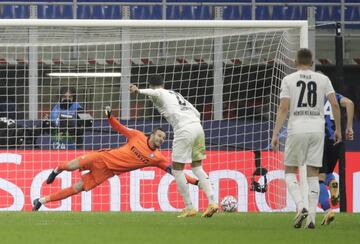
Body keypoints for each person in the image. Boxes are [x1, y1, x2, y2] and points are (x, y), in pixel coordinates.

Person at [32, 106, 199, 211]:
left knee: (75, 189)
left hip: (106, 172)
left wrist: (196, 182)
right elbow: (119, 127)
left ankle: (41, 201)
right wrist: (110, 117)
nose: (161, 140)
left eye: (163, 139)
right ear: (153, 134)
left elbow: (176, 173)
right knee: (68, 166)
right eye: (159, 136)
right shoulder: (137, 135)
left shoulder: (158, 159)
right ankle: (56, 170)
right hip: (101, 157)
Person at [129, 75, 218, 218]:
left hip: (184, 130)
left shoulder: (160, 92)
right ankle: (213, 202)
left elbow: (156, 92)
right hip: (198, 128)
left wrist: (138, 91)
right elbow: (197, 113)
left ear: (151, 85)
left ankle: (190, 207)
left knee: (177, 170)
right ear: (163, 83)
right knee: (197, 167)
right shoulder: (176, 94)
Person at [271, 48, 341, 229]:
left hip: (297, 128)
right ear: (312, 63)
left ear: (295, 62)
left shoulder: (288, 79)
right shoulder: (323, 79)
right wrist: (338, 129)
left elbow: (284, 108)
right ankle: (312, 217)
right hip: (317, 130)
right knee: (313, 175)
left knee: (290, 171)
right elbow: (334, 103)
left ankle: (300, 205)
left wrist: (275, 134)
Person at [319, 92, 354, 225]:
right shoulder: (336, 97)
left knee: (317, 178)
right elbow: (350, 103)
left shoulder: (314, 99)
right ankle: (332, 182)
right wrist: (349, 127)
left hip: (320, 141)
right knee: (327, 173)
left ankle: (327, 210)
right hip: (336, 140)